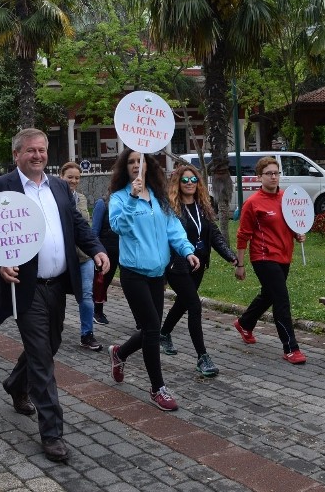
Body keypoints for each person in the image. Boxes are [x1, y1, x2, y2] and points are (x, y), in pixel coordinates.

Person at [0, 128, 109, 463]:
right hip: (26, 287)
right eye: (30, 151)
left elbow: (78, 225)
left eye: (42, 150)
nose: (37, 156)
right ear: (16, 154)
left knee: (49, 345)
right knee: (42, 357)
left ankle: (15, 383)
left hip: (57, 285)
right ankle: (51, 433)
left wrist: (96, 248)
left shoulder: (58, 186)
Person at [107, 149, 198, 412]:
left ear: (149, 166)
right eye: (132, 162)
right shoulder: (120, 197)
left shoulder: (159, 198)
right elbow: (118, 227)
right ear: (126, 168)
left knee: (152, 329)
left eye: (141, 161)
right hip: (133, 272)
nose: (137, 165)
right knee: (151, 330)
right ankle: (157, 388)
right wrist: (133, 198)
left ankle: (120, 353)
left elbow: (174, 229)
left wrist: (187, 250)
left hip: (158, 273)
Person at [159, 165, 238, 378]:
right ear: (177, 183)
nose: (190, 184)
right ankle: (202, 356)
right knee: (194, 305)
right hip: (177, 265)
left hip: (198, 264)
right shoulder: (170, 208)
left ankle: (164, 333)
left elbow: (214, 234)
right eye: (185, 180)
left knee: (184, 302)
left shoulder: (203, 206)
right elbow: (166, 240)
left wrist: (230, 255)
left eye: (193, 180)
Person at [233, 156, 308, 365]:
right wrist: (240, 264)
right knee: (281, 300)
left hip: (284, 256)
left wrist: (298, 234)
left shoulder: (287, 198)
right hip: (263, 257)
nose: (274, 176)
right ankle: (291, 348)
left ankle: (244, 323)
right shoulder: (253, 203)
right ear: (259, 177)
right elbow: (243, 235)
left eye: (276, 173)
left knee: (269, 295)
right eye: (269, 173)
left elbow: (292, 223)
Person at [59, 161, 104, 352]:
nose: (74, 181)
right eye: (70, 177)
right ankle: (53, 331)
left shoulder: (82, 199)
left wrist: (95, 250)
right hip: (62, 257)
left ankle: (87, 334)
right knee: (57, 296)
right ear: (61, 177)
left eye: (77, 178)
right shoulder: (54, 198)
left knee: (86, 296)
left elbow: (86, 227)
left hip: (84, 257)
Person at [90, 195, 119, 325]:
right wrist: (96, 250)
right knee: (102, 281)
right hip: (105, 250)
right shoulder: (102, 203)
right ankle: (97, 311)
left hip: (122, 249)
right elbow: (95, 229)